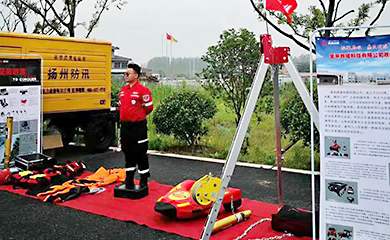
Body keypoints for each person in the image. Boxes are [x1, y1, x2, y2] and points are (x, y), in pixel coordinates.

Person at [119, 63, 153, 189]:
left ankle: (144, 179)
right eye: (125, 73)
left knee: (140, 153)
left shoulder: (143, 91)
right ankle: (129, 179)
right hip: (126, 127)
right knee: (128, 152)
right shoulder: (123, 91)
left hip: (138, 127)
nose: (126, 75)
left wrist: (137, 117)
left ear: (136, 76)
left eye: (129, 73)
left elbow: (149, 108)